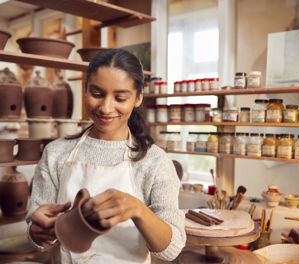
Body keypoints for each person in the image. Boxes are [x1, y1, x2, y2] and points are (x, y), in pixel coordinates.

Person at [26, 48, 186, 263]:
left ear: (138, 98)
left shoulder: (155, 162)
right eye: (96, 94)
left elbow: (171, 248)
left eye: (120, 98)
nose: (106, 107)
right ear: (85, 92)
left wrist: (137, 209)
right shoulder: (56, 153)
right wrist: (38, 231)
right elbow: (36, 232)